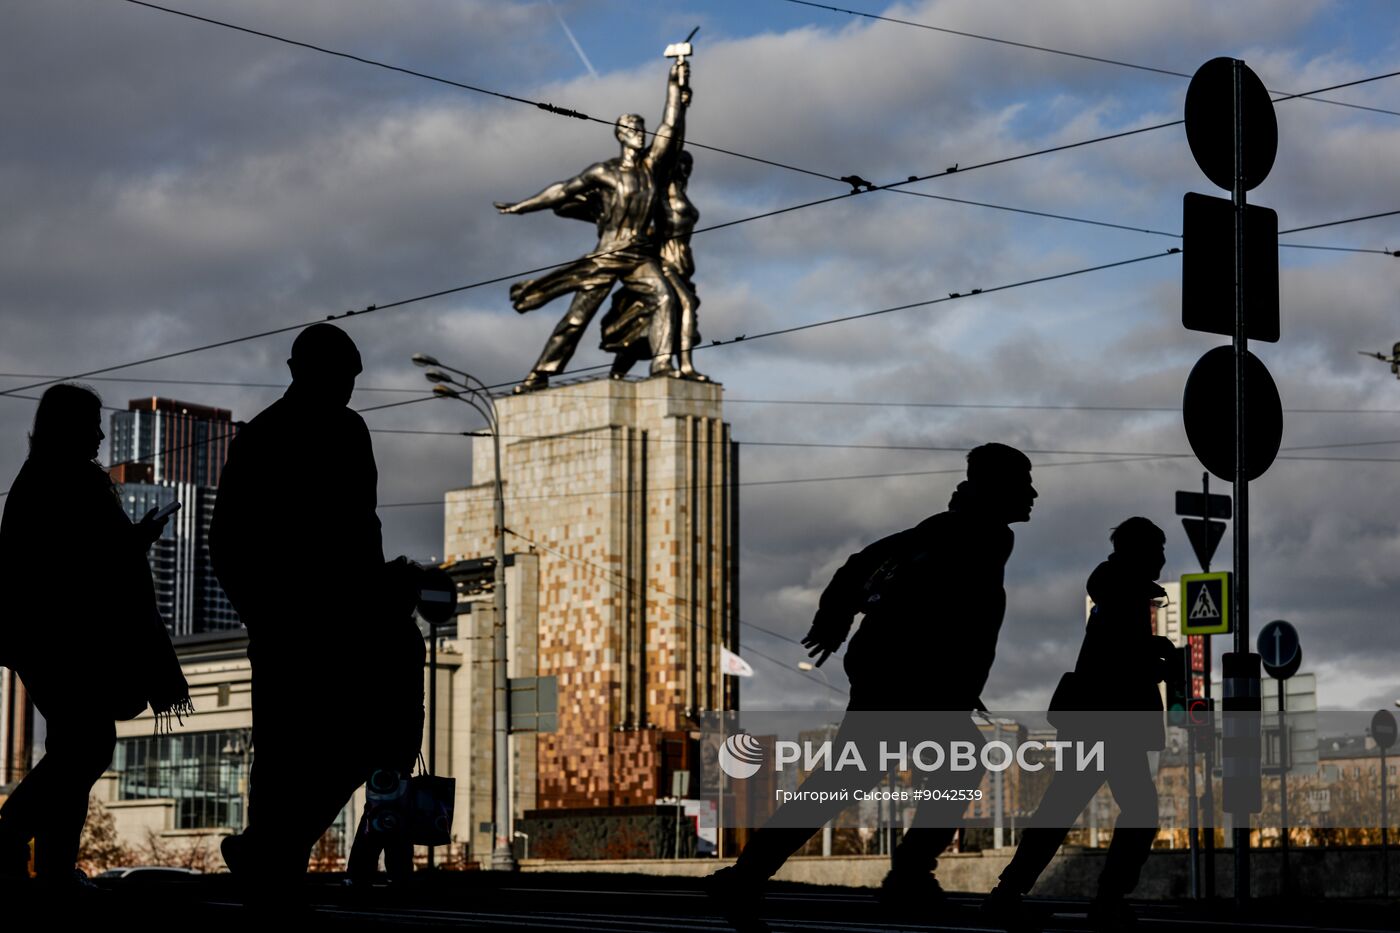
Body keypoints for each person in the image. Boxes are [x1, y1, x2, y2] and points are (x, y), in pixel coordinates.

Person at [707, 443, 1037, 932]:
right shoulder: (967, 534)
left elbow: (863, 566)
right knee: (937, 763)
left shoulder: (964, 531)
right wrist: (844, 620)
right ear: (994, 489)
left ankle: (749, 877)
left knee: (844, 781)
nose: (1032, 493)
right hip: (906, 682)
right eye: (1022, 482)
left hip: (903, 680)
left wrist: (839, 620)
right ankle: (906, 875)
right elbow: (886, 581)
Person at [210, 324, 393, 887]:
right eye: (341, 378)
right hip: (305, 622)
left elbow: (365, 526)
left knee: (316, 749)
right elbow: (229, 538)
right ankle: (276, 863)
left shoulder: (321, 430)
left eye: (352, 380)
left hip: (320, 622)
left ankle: (269, 852)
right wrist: (263, 612)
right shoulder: (281, 434)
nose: (347, 389)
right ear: (301, 371)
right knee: (313, 748)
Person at [0, 384, 190, 892]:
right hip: (66, 638)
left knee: (76, 744)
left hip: (48, 638)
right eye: (92, 424)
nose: (101, 434)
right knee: (86, 746)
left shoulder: (43, 477)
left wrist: (129, 541)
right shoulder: (67, 480)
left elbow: (77, 555)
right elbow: (79, 562)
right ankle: (11, 838)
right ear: (70, 427)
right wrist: (132, 543)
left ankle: (50, 865)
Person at [982, 517, 1174, 933]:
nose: (1162, 557)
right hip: (1111, 720)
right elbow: (1118, 659)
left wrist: (1149, 655)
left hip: (1096, 718)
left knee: (1063, 805)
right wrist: (1156, 654)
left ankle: (1010, 893)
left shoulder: (1118, 590)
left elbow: (1113, 655)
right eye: (1157, 549)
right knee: (1137, 810)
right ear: (1138, 552)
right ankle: (1106, 901)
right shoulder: (1123, 594)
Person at [495, 58, 691, 392]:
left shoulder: (651, 167)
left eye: (641, 129)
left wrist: (674, 86)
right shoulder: (605, 171)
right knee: (576, 318)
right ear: (620, 135)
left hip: (639, 256)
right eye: (632, 129)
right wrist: (522, 207)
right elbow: (563, 190)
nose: (639, 135)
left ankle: (661, 365)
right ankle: (538, 375)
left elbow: (670, 129)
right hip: (607, 254)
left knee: (666, 299)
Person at [600, 149, 707, 381]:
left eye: (689, 165)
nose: (685, 169)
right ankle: (686, 366)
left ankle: (617, 373)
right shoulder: (658, 196)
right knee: (684, 305)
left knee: (647, 325)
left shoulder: (680, 194)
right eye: (681, 164)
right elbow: (644, 226)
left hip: (683, 266)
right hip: (663, 263)